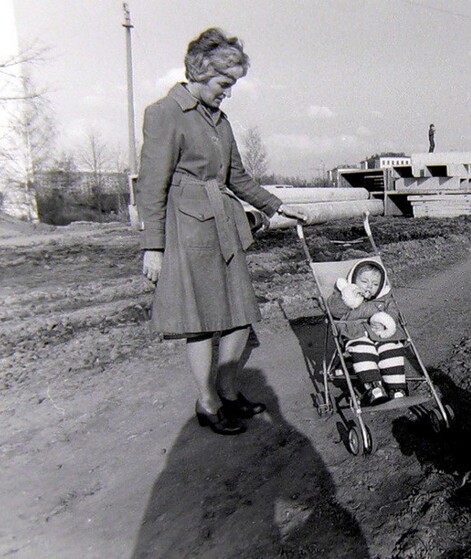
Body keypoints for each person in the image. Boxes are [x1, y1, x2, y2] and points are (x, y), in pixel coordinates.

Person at [136, 28, 308, 435]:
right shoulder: (165, 114)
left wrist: (277, 205)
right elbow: (151, 185)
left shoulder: (220, 121)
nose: (227, 93)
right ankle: (207, 402)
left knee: (240, 312)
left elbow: (237, 176)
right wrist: (153, 247)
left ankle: (229, 392)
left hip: (223, 225)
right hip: (185, 228)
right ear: (199, 70)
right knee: (199, 321)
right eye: (223, 84)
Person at [327, 259, 408, 405]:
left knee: (392, 348)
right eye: (364, 281)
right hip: (356, 333)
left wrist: (386, 321)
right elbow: (334, 310)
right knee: (363, 350)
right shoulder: (345, 294)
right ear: (353, 280)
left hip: (380, 332)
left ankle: (397, 388)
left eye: (375, 284)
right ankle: (374, 388)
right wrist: (347, 298)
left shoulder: (384, 298)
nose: (369, 286)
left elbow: (393, 311)